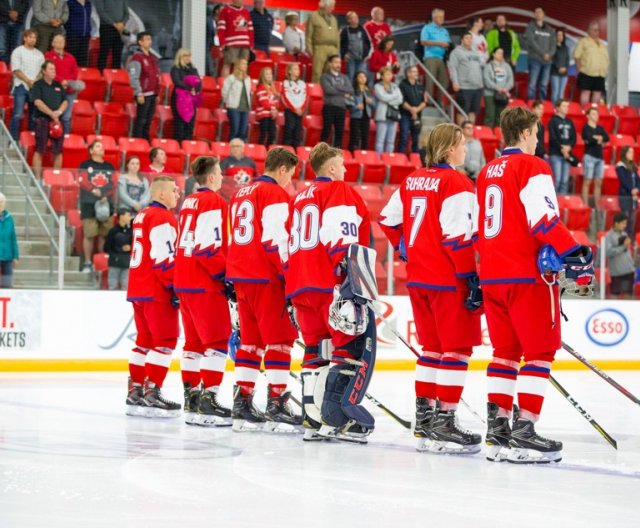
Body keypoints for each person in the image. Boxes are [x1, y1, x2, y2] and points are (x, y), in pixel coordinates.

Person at [476, 106, 591, 464]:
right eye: (537, 133)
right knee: (539, 352)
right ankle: (524, 430)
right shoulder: (532, 166)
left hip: (492, 276)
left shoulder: (485, 172)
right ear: (525, 133)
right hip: (526, 276)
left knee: (505, 354)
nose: (540, 139)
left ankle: (498, 431)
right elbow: (542, 221)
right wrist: (575, 251)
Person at [379, 122, 482, 454]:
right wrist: (470, 277)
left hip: (418, 278)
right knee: (456, 350)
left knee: (432, 350)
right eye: (462, 144)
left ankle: (424, 419)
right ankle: (445, 421)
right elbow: (457, 238)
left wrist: (405, 246)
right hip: (448, 278)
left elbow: (387, 220)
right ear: (450, 149)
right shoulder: (456, 182)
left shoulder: (412, 179)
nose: (466, 149)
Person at [285, 142, 374, 442]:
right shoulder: (338, 191)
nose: (346, 170)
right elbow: (342, 238)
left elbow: (288, 246)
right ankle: (338, 419)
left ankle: (313, 418)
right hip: (329, 283)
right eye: (343, 165)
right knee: (348, 350)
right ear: (332, 168)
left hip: (300, 286)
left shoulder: (299, 198)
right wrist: (353, 282)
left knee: (315, 350)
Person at [226, 147, 302, 432]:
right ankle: (277, 403)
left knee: (250, 343)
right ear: (282, 169)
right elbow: (274, 241)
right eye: (291, 173)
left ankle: (242, 401)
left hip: (242, 276)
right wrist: (289, 274)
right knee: (280, 341)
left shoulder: (240, 193)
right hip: (266, 277)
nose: (290, 180)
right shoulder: (275, 194)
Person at [174, 156, 234, 426]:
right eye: (220, 173)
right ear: (211, 177)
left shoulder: (188, 201)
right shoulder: (213, 201)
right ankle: (208, 399)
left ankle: (191, 398)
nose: (222, 177)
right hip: (204, 281)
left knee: (194, 344)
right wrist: (225, 276)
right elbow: (208, 246)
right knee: (217, 341)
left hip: (184, 279)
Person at [125, 176, 182, 418]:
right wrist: (174, 287)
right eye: (173, 190)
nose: (177, 194)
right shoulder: (162, 217)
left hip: (138, 287)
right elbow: (163, 258)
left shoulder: (142, 215)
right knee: (165, 341)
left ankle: (135, 390)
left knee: (144, 341)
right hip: (156, 288)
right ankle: (152, 391)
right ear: (161, 194)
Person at [78, 140, 115, 272]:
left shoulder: (109, 166)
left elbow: (113, 183)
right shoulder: (85, 164)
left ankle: (102, 262)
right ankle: (88, 262)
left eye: (102, 146)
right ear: (91, 150)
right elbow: (82, 180)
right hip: (88, 203)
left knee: (103, 234)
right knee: (89, 234)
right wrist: (93, 190)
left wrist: (104, 194)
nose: (102, 148)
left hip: (106, 204)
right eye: (98, 146)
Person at [30, 60, 67, 179]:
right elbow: (37, 102)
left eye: (54, 69)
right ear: (44, 71)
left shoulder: (58, 85)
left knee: (58, 150)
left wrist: (59, 112)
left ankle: (55, 178)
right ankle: (37, 178)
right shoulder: (38, 85)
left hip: (57, 122)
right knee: (40, 148)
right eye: (51, 69)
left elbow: (65, 101)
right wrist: (51, 113)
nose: (53, 71)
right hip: (42, 120)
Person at [45, 34, 84, 135]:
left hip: (68, 91)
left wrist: (68, 82)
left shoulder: (71, 57)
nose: (60, 42)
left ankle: (66, 138)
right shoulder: (48, 56)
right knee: (52, 115)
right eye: (57, 40)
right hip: (53, 91)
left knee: (66, 117)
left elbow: (75, 72)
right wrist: (62, 81)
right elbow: (48, 71)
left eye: (62, 40)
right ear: (52, 43)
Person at [9, 29, 44, 141]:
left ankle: (29, 141)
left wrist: (35, 81)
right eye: (30, 37)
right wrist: (28, 81)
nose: (32, 39)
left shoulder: (39, 54)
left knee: (33, 117)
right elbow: (16, 70)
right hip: (21, 86)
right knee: (18, 114)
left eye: (34, 37)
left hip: (35, 88)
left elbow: (42, 72)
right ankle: (13, 140)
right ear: (24, 38)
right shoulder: (17, 51)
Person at [129, 32, 160, 141]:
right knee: (141, 119)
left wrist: (157, 92)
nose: (149, 41)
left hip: (152, 94)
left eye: (150, 39)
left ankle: (145, 141)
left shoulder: (152, 58)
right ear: (140, 42)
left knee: (148, 120)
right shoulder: (137, 57)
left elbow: (156, 76)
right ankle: (137, 140)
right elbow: (134, 76)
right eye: (146, 39)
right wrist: (138, 92)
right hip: (143, 94)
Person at [448, 32, 484, 125]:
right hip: (464, 87)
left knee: (473, 112)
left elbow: (481, 67)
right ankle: (460, 134)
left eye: (471, 38)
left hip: (477, 87)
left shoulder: (476, 52)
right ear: (462, 40)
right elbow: (453, 68)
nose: (469, 40)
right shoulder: (456, 52)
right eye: (467, 38)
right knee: (462, 111)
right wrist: (455, 82)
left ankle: (469, 135)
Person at [320, 54, 354, 148]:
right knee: (326, 131)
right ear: (330, 64)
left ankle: (336, 155)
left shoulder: (345, 77)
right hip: (329, 107)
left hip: (341, 108)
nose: (338, 64)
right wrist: (343, 92)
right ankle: (320, 152)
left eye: (339, 62)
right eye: (335, 62)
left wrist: (336, 88)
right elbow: (328, 90)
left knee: (339, 133)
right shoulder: (325, 76)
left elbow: (350, 90)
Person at [170, 48, 202, 143]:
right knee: (179, 123)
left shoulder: (193, 69)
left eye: (189, 56)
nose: (188, 58)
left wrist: (195, 90)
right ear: (180, 57)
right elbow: (177, 81)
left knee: (190, 124)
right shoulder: (175, 69)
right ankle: (179, 143)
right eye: (185, 56)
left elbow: (199, 82)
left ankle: (187, 144)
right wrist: (189, 88)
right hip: (179, 98)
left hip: (191, 99)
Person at [574, 22, 609, 106]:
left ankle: (594, 111)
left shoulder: (602, 43)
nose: (596, 32)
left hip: (600, 73)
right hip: (586, 72)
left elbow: (606, 57)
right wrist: (579, 68)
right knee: (586, 92)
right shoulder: (583, 41)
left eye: (598, 30)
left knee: (597, 93)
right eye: (594, 30)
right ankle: (584, 111)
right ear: (588, 31)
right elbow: (577, 56)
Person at [525, 7, 556, 101]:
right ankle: (531, 103)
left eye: (540, 12)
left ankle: (542, 105)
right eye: (536, 12)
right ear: (534, 15)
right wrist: (543, 54)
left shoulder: (550, 30)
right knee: (532, 84)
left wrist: (549, 54)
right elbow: (531, 42)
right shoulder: (530, 27)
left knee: (543, 85)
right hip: (535, 59)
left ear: (544, 15)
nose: (538, 14)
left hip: (547, 62)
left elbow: (553, 45)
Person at [420, 8, 451, 101]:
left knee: (444, 81)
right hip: (430, 57)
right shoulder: (427, 28)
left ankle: (440, 102)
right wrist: (439, 43)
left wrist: (446, 45)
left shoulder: (444, 30)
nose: (443, 19)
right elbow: (423, 41)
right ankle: (428, 102)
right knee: (430, 81)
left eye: (443, 17)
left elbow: (448, 42)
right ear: (435, 17)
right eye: (441, 17)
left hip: (441, 58)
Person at [582, 107, 609, 207]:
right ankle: (585, 204)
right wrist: (599, 138)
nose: (596, 116)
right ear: (588, 116)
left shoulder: (600, 128)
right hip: (589, 156)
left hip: (599, 157)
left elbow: (607, 137)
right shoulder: (586, 128)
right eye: (593, 114)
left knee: (598, 182)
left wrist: (597, 138)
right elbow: (588, 138)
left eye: (597, 114)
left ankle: (597, 204)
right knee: (587, 181)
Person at [218, 0, 253, 78]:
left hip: (245, 44)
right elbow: (221, 28)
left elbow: (250, 28)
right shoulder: (225, 10)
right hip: (231, 44)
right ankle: (225, 85)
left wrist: (250, 43)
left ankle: (240, 86)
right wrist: (222, 43)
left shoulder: (246, 11)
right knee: (227, 64)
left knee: (243, 65)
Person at [306, 0, 339, 84]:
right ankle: (316, 93)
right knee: (317, 72)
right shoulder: (313, 16)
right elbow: (308, 34)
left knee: (331, 73)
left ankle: (329, 93)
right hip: (319, 48)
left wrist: (337, 50)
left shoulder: (333, 19)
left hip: (332, 49)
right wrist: (309, 49)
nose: (333, 8)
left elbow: (337, 35)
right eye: (331, 6)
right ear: (325, 6)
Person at [548, 99, 576, 194]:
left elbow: (574, 137)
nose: (566, 108)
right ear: (558, 108)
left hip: (567, 154)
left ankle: (562, 205)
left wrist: (569, 148)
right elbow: (553, 137)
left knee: (564, 181)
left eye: (567, 106)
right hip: (556, 154)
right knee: (557, 180)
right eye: (564, 106)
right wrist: (562, 148)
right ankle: (554, 204)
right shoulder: (553, 120)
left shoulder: (569, 121)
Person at [605, 213, 636, 299]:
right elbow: (608, 252)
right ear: (616, 223)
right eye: (623, 223)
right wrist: (623, 246)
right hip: (617, 272)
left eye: (625, 223)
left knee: (627, 296)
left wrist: (632, 267)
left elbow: (627, 253)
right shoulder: (609, 236)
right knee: (614, 297)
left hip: (628, 271)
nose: (624, 226)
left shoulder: (624, 234)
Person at [374, 65, 403, 154]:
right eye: (387, 74)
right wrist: (394, 96)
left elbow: (400, 100)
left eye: (390, 74)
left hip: (393, 116)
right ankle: (379, 160)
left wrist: (389, 99)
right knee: (380, 140)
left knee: (390, 141)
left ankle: (388, 159)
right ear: (382, 76)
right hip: (382, 116)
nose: (389, 76)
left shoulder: (395, 86)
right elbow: (383, 97)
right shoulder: (378, 86)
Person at [93, 0, 128, 71]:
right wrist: (114, 24)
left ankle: (116, 76)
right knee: (104, 52)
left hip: (119, 29)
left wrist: (122, 23)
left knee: (117, 54)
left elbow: (126, 13)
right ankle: (101, 75)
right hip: (106, 27)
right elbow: (101, 12)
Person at [397, 66, 425, 155]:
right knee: (404, 136)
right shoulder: (402, 85)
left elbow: (424, 102)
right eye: (414, 72)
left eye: (416, 72)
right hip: (405, 115)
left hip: (417, 116)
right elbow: (401, 101)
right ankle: (400, 157)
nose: (416, 73)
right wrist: (412, 110)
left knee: (416, 138)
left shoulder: (420, 86)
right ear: (408, 73)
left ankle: (415, 158)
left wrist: (416, 110)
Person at [222, 57, 252, 141]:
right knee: (234, 130)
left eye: (246, 64)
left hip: (245, 108)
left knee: (242, 132)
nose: (245, 66)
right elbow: (225, 92)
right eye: (243, 64)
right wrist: (228, 102)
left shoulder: (248, 79)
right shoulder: (231, 78)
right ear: (238, 65)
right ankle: (230, 150)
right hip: (233, 107)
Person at [483, 48, 514, 128]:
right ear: (493, 54)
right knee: (490, 115)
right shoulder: (488, 66)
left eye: (502, 53)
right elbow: (486, 80)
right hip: (490, 94)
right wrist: (498, 88)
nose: (501, 55)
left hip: (503, 95)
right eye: (499, 53)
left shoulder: (506, 66)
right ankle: (488, 134)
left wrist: (506, 88)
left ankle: (498, 135)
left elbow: (511, 80)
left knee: (500, 117)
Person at [104, 208, 132, 290]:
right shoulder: (113, 231)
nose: (130, 218)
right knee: (112, 287)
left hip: (126, 263)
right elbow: (106, 247)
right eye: (128, 215)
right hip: (115, 263)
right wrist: (118, 251)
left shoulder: (131, 231)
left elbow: (135, 246)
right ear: (122, 216)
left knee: (126, 288)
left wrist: (130, 247)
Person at [281, 62, 308, 149]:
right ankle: (286, 151)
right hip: (290, 110)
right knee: (289, 130)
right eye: (295, 69)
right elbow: (285, 97)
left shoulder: (302, 83)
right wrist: (294, 108)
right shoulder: (285, 83)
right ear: (289, 71)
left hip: (300, 111)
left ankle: (296, 152)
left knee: (297, 131)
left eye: (298, 69)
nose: (298, 71)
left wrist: (302, 109)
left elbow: (305, 97)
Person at [616, 146, 640, 236]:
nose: (632, 154)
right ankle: (623, 237)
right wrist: (631, 190)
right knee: (625, 218)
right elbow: (624, 180)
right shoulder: (620, 166)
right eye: (630, 152)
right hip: (624, 196)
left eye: (633, 152)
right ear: (625, 153)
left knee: (632, 219)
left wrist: (637, 188)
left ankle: (629, 237)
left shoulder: (633, 166)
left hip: (633, 197)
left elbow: (638, 179)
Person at [340, 11, 370, 82]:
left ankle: (358, 93)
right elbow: (340, 44)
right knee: (350, 76)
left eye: (357, 17)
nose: (356, 19)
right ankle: (349, 92)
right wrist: (344, 54)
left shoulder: (363, 29)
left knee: (361, 77)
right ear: (349, 20)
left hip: (361, 59)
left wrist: (366, 55)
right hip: (350, 58)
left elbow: (368, 43)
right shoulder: (345, 31)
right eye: (353, 17)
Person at [349, 70, 373, 152]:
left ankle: (363, 155)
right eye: (360, 77)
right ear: (356, 79)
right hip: (356, 116)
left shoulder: (368, 90)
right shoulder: (353, 90)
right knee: (354, 137)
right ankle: (352, 154)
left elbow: (374, 105)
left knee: (365, 137)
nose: (362, 78)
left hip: (366, 116)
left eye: (364, 77)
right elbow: (349, 104)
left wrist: (371, 102)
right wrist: (357, 107)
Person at [255, 67, 279, 147]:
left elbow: (275, 101)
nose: (269, 76)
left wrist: (275, 110)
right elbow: (264, 101)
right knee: (263, 134)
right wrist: (272, 109)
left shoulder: (273, 88)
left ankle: (268, 151)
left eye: (270, 74)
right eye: (267, 74)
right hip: (263, 115)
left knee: (272, 134)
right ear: (263, 76)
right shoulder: (261, 87)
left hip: (271, 114)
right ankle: (260, 150)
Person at [65, 0, 92, 67]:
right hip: (73, 36)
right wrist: (71, 29)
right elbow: (66, 19)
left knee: (83, 59)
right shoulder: (70, 3)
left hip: (85, 36)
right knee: (72, 58)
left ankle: (81, 76)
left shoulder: (88, 4)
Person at [0, 192, 19, 288]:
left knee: (7, 285)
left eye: (2, 202)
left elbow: (13, 238)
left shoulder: (9, 218)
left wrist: (15, 256)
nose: (0, 204)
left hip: (7, 257)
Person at [550, 29, 570, 104]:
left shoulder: (566, 48)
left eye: (561, 35)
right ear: (555, 36)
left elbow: (567, 60)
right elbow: (552, 59)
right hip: (555, 72)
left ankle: (559, 109)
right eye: (558, 35)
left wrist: (565, 68)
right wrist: (559, 67)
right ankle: (553, 108)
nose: (560, 37)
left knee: (561, 93)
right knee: (555, 92)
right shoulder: (552, 47)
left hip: (564, 74)